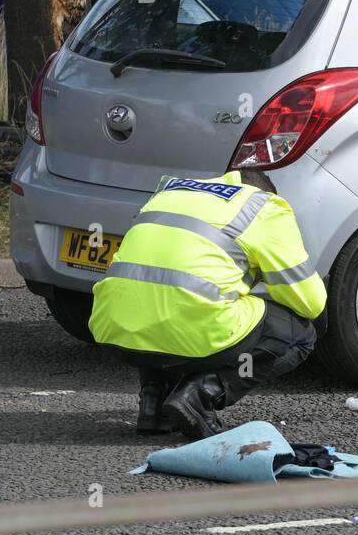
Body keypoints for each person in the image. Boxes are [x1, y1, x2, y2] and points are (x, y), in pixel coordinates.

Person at [90, 168, 328, 440]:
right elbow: (311, 303)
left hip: (112, 329)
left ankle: (153, 404)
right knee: (300, 334)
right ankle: (199, 394)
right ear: (263, 190)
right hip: (192, 330)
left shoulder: (170, 193)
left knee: (161, 301)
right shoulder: (263, 206)